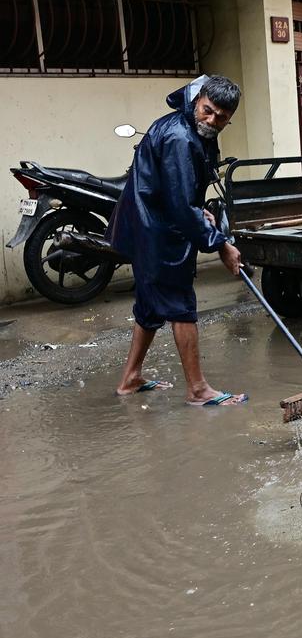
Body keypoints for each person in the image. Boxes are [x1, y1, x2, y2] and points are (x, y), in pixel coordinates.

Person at [107, 75, 247, 406]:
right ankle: (198, 390)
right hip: (159, 232)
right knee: (180, 306)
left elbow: (182, 196)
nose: (212, 121)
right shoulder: (180, 138)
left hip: (151, 226)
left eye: (221, 117)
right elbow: (181, 208)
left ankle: (130, 378)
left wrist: (199, 212)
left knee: (149, 306)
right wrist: (221, 244)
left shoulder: (191, 129)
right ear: (198, 100)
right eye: (207, 111)